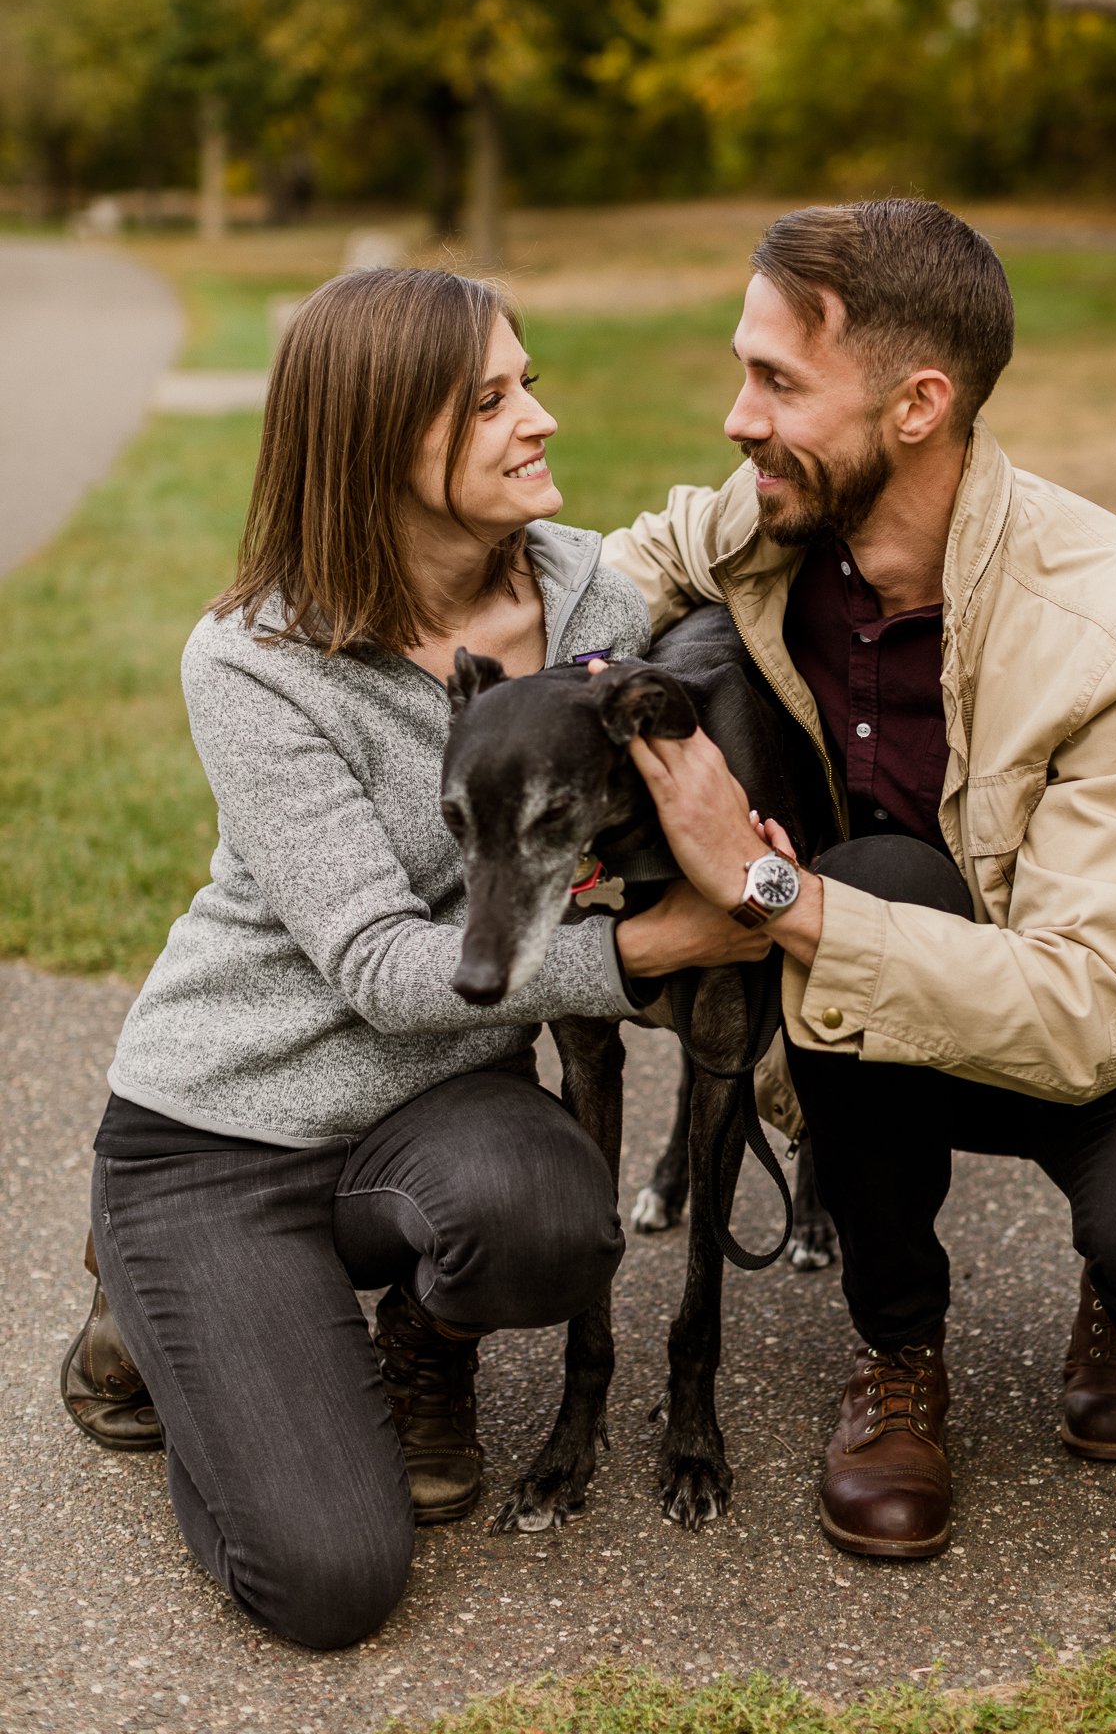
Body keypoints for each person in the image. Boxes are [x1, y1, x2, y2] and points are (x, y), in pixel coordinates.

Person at [601, 199, 1116, 1562]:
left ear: (918, 404)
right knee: (877, 883)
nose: (734, 418)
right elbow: (602, 579)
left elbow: (1090, 1007)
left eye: (774, 381)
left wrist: (763, 893)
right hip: (901, 1007)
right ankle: (897, 1352)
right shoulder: (773, 522)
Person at [60, 267, 765, 1649]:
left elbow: (752, 536)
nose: (539, 422)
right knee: (329, 1586)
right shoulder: (257, 661)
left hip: (434, 1106)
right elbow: (382, 967)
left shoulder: (591, 602)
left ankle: (416, 1339)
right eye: (492, 401)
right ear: (383, 440)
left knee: (554, 1215)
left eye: (530, 383)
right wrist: (656, 946)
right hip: (225, 1130)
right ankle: (153, 1303)